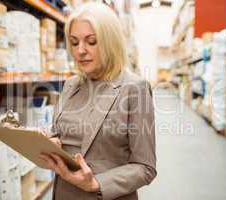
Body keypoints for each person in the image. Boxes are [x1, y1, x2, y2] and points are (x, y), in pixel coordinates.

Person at [39, 2, 157, 200]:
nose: (80, 51)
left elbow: (145, 167)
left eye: (91, 41)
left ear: (110, 42)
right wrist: (49, 142)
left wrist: (96, 184)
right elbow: (60, 134)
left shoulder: (134, 88)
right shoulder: (70, 85)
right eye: (74, 42)